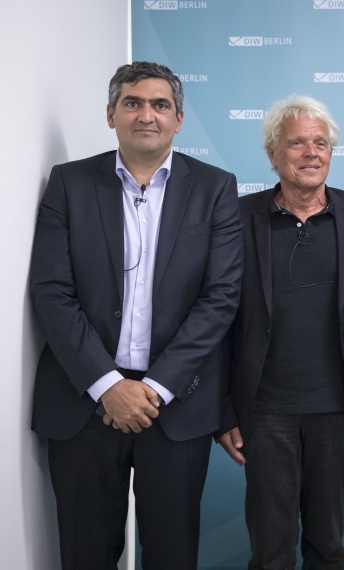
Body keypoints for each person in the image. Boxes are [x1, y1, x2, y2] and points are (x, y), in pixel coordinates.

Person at [29, 61, 244, 570]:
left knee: (172, 556)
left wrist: (154, 388)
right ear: (111, 114)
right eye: (133, 103)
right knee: (85, 555)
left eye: (160, 105)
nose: (146, 115)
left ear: (179, 118)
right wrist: (108, 385)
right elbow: (52, 292)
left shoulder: (215, 187)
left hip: (174, 406)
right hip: (84, 405)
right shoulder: (69, 183)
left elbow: (221, 297)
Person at [216, 96, 344, 569]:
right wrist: (223, 410)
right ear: (271, 153)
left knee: (328, 543)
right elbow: (215, 318)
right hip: (263, 410)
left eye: (321, 143)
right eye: (296, 143)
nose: (311, 152)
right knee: (270, 546)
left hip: (337, 407)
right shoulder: (235, 216)